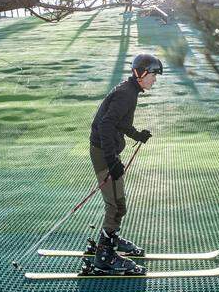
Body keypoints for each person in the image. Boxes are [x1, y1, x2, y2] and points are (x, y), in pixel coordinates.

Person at [84, 53, 163, 276]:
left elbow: (121, 123)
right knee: (114, 205)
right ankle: (104, 258)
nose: (155, 80)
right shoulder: (126, 94)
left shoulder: (131, 91)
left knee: (120, 204)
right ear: (141, 73)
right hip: (103, 153)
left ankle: (110, 241)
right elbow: (105, 126)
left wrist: (137, 135)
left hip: (107, 152)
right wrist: (111, 160)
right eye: (153, 75)